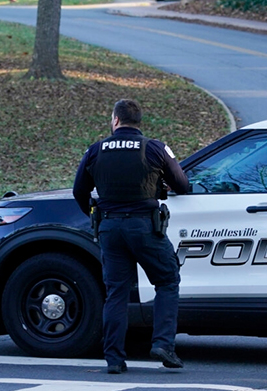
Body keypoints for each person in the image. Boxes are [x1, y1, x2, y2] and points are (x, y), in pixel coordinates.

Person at [73, 99, 190, 374]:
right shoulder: (155, 148)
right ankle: (163, 344)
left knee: (116, 293)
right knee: (167, 280)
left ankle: (114, 358)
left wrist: (95, 215)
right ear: (139, 121)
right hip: (145, 228)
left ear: (115, 120)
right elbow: (182, 185)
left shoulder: (95, 150)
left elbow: (79, 191)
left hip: (110, 229)